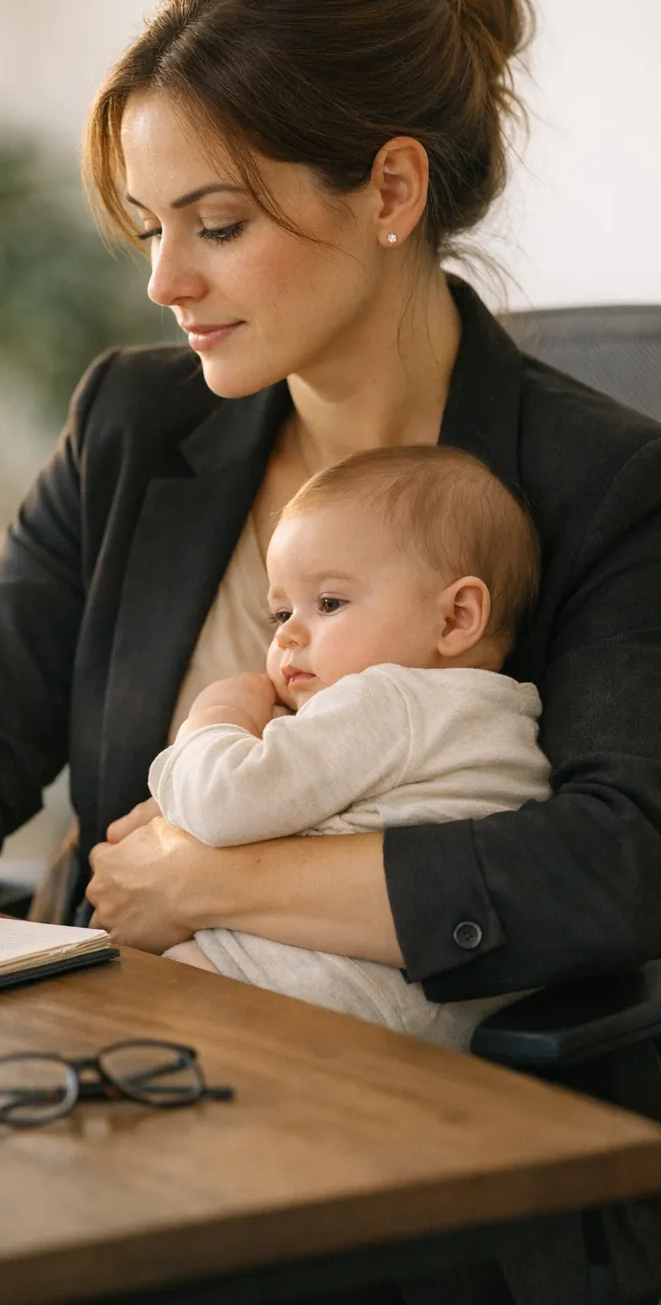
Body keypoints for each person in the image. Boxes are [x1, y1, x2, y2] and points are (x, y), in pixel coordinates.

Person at [0, 0, 661, 1055]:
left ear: (390, 190)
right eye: (149, 228)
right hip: (114, 1047)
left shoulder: (611, 487)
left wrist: (208, 880)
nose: (163, 281)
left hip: (418, 1118)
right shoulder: (135, 422)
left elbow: (617, 867)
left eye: (217, 226)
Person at [153, 445, 552, 1052]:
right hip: (429, 1002)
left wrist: (217, 715)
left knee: (139, 998)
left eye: (329, 603)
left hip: (326, 993)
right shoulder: (496, 712)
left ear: (454, 619)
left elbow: (221, 801)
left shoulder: (386, 700)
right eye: (281, 611)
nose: (287, 634)